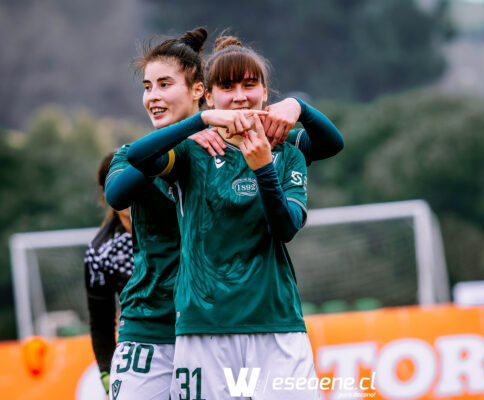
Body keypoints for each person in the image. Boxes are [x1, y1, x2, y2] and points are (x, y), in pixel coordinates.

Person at [105, 28, 342, 400]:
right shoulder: (174, 152)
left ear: (198, 91)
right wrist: (195, 126)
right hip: (159, 325)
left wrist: (297, 106)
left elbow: (330, 146)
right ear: (212, 94)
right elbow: (119, 190)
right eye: (148, 87)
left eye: (164, 84)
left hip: (250, 319)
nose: (153, 96)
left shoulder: (279, 145)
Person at [84, 151, 133, 396]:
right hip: (140, 342)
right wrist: (107, 371)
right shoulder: (100, 252)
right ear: (105, 195)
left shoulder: (177, 223)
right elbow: (101, 322)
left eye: (130, 181)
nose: (125, 191)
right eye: (116, 185)